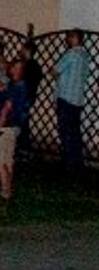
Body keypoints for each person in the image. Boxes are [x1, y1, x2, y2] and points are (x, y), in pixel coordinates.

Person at [0, 58, 30, 201]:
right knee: (7, 160)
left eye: (17, 68)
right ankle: (7, 190)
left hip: (4, 128)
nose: (13, 70)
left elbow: (6, 109)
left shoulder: (17, 87)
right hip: (11, 128)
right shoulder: (17, 85)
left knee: (0, 161)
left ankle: (5, 191)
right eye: (13, 67)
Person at [55, 30, 90, 174]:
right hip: (77, 99)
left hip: (66, 97)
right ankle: (77, 162)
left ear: (76, 38)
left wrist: (56, 74)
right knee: (75, 132)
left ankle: (68, 163)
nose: (67, 39)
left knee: (66, 131)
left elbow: (55, 71)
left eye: (70, 37)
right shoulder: (85, 55)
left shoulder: (71, 54)